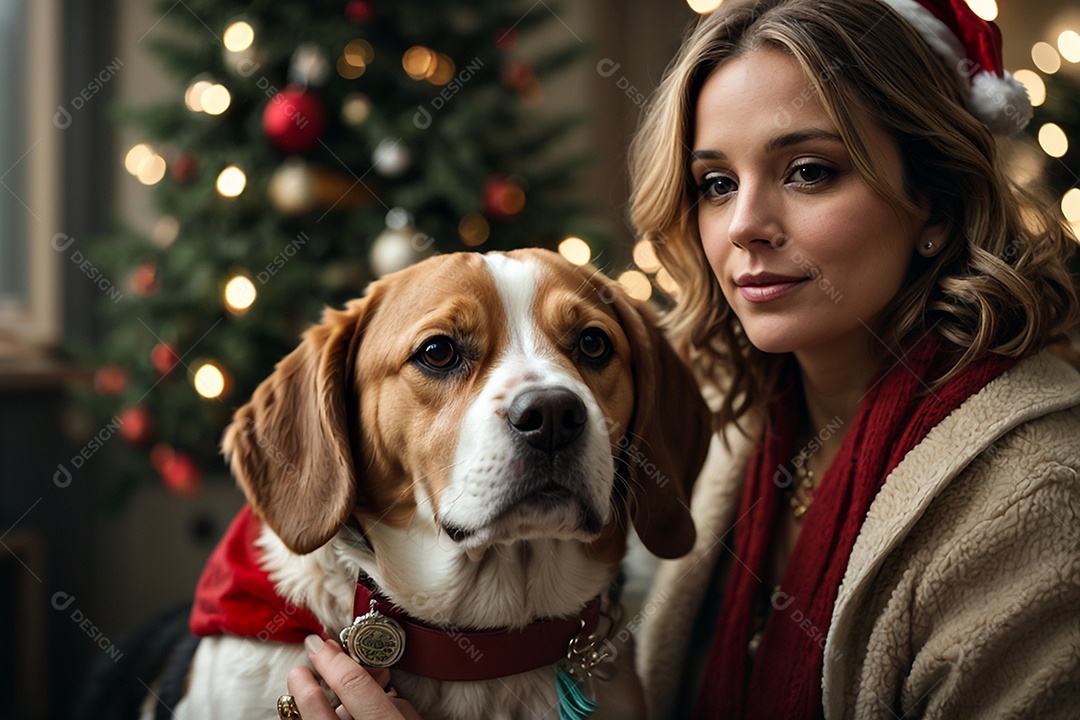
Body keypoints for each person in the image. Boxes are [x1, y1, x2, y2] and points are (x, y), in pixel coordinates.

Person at [627, 0, 1080, 718]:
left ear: (933, 202)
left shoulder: (1037, 496)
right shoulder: (734, 425)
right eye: (717, 183)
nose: (745, 225)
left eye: (808, 171)